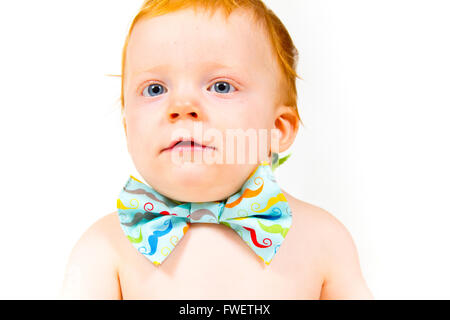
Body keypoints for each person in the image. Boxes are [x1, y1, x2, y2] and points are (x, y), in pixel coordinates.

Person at [60, 0, 373, 299]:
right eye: (155, 89)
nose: (182, 106)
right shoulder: (105, 249)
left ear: (276, 129)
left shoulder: (322, 241)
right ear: (127, 129)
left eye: (221, 86)